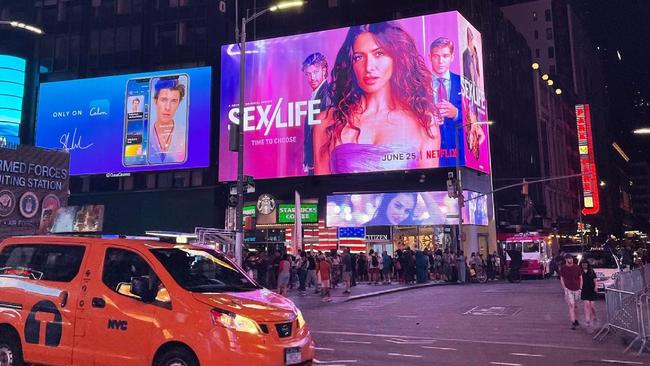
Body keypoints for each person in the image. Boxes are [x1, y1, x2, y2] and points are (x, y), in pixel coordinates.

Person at [313, 21, 442, 175]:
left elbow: (430, 194)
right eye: (359, 57)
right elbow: (322, 192)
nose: (368, 67)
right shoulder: (328, 122)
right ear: (350, 64)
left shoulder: (424, 122)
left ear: (396, 58)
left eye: (379, 54)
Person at [429, 37, 462, 166]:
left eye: (445, 56)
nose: (440, 61)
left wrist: (456, 113)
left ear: (452, 57)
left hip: (457, 153)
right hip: (429, 152)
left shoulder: (462, 83)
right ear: (430, 57)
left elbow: (475, 120)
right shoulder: (419, 84)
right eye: (436, 56)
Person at [302, 53, 331, 176]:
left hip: (321, 162)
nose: (312, 78)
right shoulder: (316, 94)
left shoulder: (327, 93)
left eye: (315, 72)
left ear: (324, 70)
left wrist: (313, 160)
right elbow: (310, 131)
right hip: (314, 161)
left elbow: (324, 132)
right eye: (308, 74)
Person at [149, 77, 187, 164]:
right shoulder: (145, 133)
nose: (167, 107)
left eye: (173, 101)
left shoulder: (186, 134)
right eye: (164, 100)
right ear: (156, 101)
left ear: (178, 104)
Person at [560, 254, 583, 330]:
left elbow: (580, 277)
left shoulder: (577, 267)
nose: (571, 260)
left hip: (577, 289)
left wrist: (580, 287)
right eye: (569, 259)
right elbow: (562, 278)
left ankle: (576, 320)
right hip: (568, 289)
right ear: (566, 259)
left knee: (576, 306)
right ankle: (573, 322)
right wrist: (564, 288)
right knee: (571, 305)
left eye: (572, 259)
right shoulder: (563, 268)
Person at [581, 261, 598, 328]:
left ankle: (594, 316)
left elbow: (595, 280)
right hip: (584, 290)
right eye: (583, 265)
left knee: (592, 306)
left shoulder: (591, 271)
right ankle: (588, 320)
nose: (584, 266)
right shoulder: (580, 272)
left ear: (587, 264)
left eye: (585, 264)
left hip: (591, 289)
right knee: (587, 305)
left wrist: (596, 287)